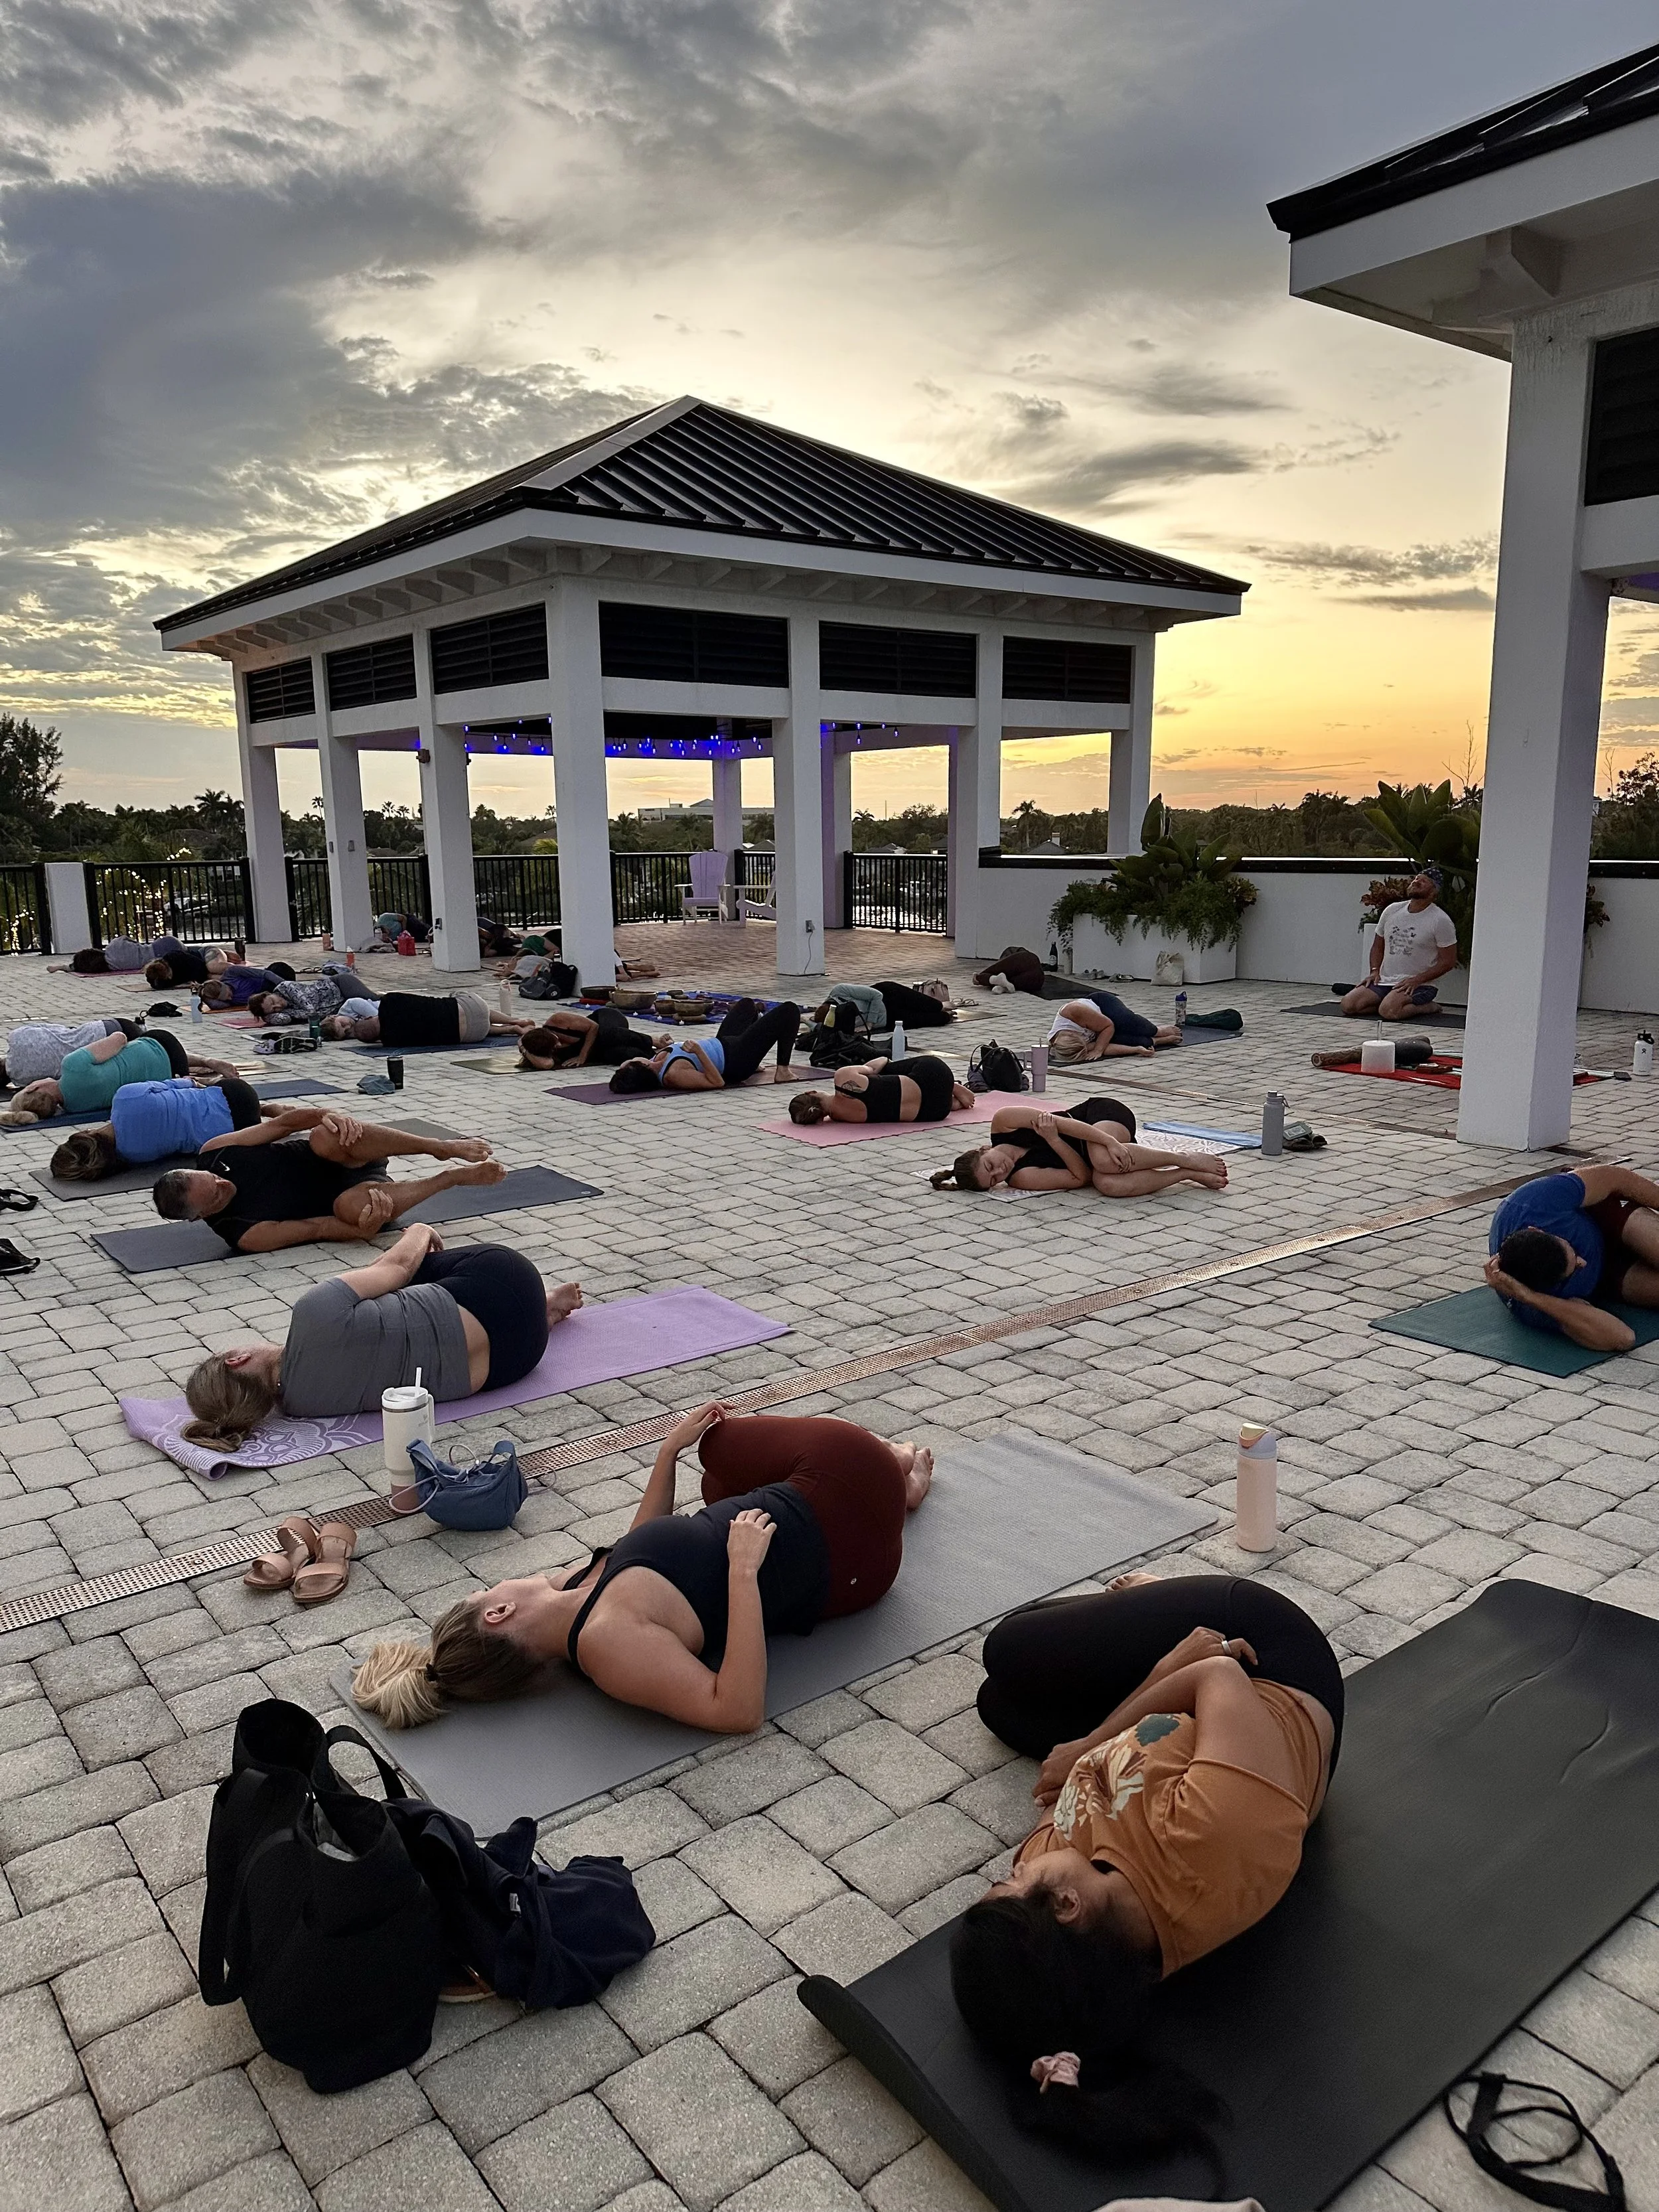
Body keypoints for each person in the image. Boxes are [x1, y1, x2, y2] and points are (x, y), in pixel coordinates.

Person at [950, 1572, 1341, 2167]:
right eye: (1008, 1883)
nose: (1014, 1868)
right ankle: (1148, 1612)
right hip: (1269, 1664)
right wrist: (1104, 1729)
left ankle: (1136, 1623)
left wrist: (1091, 1741)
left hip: (1175, 1722)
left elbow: (1054, 1813)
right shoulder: (1212, 1834)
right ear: (1065, 1905)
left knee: (999, 1703)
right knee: (1007, 1647)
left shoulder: (1087, 1921)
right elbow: (1219, 1674)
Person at [350, 1405, 932, 1733]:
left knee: (711, 1481)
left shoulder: (578, 1601)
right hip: (846, 1540)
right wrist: (741, 1571)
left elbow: (645, 1552)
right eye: (484, 1591)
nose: (494, 1582)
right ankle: (894, 1466)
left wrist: (665, 1454)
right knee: (722, 1445)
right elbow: (735, 1709)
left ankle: (895, 1479)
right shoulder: (609, 1646)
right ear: (499, 1613)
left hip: (850, 1545)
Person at [180, 1222, 583, 1449]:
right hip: (507, 1284)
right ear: (235, 1360)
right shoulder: (312, 1315)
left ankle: (544, 1309)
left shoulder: (303, 1407)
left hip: (518, 1360)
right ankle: (541, 1300)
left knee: (387, 1322)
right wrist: (419, 1231)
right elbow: (397, 1266)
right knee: (398, 1279)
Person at [151, 1107, 504, 1254]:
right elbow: (319, 1227)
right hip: (360, 1196)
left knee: (324, 1135)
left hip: (348, 1153)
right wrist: (367, 1229)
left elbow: (283, 1125)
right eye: (215, 1195)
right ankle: (450, 1178)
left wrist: (328, 1115)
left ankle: (438, 1147)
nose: (223, 1184)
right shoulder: (245, 1233)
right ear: (199, 1216)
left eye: (213, 1178)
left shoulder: (215, 1151)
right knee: (347, 1207)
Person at [1484, 1165, 1659, 1351]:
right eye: (1575, 1269)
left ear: (1536, 1230)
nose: (1582, 1262)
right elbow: (1623, 1337)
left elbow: (1615, 1178)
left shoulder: (1535, 1201)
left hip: (1603, 1220)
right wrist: (1530, 1297)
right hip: (1606, 1275)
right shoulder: (1530, 1303)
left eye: (1573, 1253)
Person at [931, 1101, 1228, 1198]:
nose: (1000, 1171)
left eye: (990, 1166)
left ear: (984, 1149)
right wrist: (1053, 1141)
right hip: (1092, 1156)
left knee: (1102, 1157)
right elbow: (1081, 1178)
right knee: (1106, 1183)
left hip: (1097, 1118)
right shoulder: (1021, 1178)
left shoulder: (1004, 1122)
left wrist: (1109, 1141)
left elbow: (1069, 1126)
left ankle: (1184, 1157)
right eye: (995, 1180)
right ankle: (1185, 1173)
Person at [50, 1075, 273, 1178]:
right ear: (85, 1133)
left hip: (239, 1131)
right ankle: (264, 1106)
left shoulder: (135, 1156)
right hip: (236, 1092)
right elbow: (181, 1083)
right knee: (195, 1095)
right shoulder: (124, 1098)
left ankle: (268, 1114)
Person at [1, 1029, 240, 1124]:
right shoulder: (71, 1066)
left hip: (169, 1078)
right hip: (164, 1046)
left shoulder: (75, 1108)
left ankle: (201, 1077)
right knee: (131, 1047)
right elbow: (119, 1037)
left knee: (129, 1067)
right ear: (34, 1088)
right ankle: (206, 1062)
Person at [609, 996, 803, 1092]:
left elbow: (625, 1068)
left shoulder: (654, 1062)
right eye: (632, 1062)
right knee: (789, 1011)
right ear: (642, 1066)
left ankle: (755, 1062)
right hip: (736, 1061)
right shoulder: (673, 1075)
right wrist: (699, 1052)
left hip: (724, 1043)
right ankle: (783, 1071)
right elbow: (717, 1082)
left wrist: (666, 1046)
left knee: (747, 1005)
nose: (631, 1060)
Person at [1340, 867, 1459, 1019]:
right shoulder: (1392, 910)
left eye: (1424, 882)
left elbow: (1448, 962)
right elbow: (1378, 945)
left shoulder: (1440, 920)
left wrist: (1417, 980)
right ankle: (1387, 1002)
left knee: (1389, 1012)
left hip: (1420, 984)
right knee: (1349, 1005)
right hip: (1386, 981)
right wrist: (1375, 971)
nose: (1417, 882)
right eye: (1416, 879)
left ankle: (1428, 1007)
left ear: (1434, 892)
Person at [788, 1055, 974, 1126]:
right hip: (935, 1075)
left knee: (882, 1095)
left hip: (936, 1112)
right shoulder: (842, 1078)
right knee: (883, 1070)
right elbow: (878, 1064)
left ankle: (952, 1101)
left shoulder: (843, 1118)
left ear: (820, 1118)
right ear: (810, 1092)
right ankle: (952, 1086)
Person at [321, 991, 534, 1048]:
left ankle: (511, 1028)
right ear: (369, 1016)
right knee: (460, 1001)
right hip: (475, 1009)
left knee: (462, 1027)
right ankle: (515, 1019)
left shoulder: (393, 1041)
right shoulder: (391, 1001)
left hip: (473, 1037)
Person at [1, 1018, 141, 1090]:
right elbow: (59, 1028)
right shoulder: (17, 1036)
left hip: (107, 1059)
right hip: (107, 1028)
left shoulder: (22, 1081)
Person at [1045, 994, 1181, 1062]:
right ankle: (1156, 1041)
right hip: (1101, 1030)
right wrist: (1136, 1049)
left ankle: (1158, 1031)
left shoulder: (1074, 1012)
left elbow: (1108, 1026)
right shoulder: (1067, 1046)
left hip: (1102, 1005)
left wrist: (1098, 1049)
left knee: (1127, 1020)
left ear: (1075, 1036)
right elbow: (1107, 1049)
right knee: (1139, 1042)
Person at [518, 1009, 654, 1071]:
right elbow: (546, 1065)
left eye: (556, 1040)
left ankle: (653, 1041)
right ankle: (655, 1055)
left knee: (607, 1036)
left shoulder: (556, 1021)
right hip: (602, 1047)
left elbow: (593, 1027)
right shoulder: (544, 1051)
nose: (559, 1044)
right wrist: (524, 1048)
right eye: (554, 1047)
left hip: (606, 1021)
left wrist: (582, 1056)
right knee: (616, 1054)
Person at [144, 939, 238, 990]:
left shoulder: (175, 957)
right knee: (216, 980)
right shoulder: (159, 981)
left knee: (212, 968)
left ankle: (239, 970)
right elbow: (157, 985)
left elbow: (200, 966)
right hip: (201, 973)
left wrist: (204, 978)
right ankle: (239, 978)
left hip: (205, 954)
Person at [198, 962, 297, 1009]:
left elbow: (265, 974)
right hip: (266, 994)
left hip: (267, 980)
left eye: (229, 994)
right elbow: (215, 1006)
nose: (230, 998)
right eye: (226, 999)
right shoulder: (228, 1001)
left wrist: (286, 985)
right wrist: (203, 995)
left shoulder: (232, 973)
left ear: (225, 985)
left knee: (279, 968)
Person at [973, 946, 1047, 995]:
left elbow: (995, 969)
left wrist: (978, 977)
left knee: (983, 976)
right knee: (1012, 981)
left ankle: (998, 982)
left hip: (1028, 964)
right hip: (1037, 981)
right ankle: (1003, 987)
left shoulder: (1011, 953)